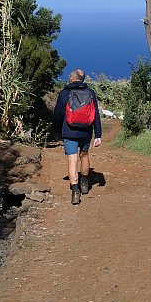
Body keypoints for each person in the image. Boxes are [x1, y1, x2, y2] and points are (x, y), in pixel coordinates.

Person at [53, 69, 102, 205]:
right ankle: (84, 182)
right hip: (86, 131)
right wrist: (98, 134)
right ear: (83, 79)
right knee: (84, 156)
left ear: (71, 78)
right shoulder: (90, 93)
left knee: (72, 159)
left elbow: (57, 114)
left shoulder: (64, 93)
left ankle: (75, 191)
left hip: (69, 131)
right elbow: (96, 114)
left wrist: (57, 130)